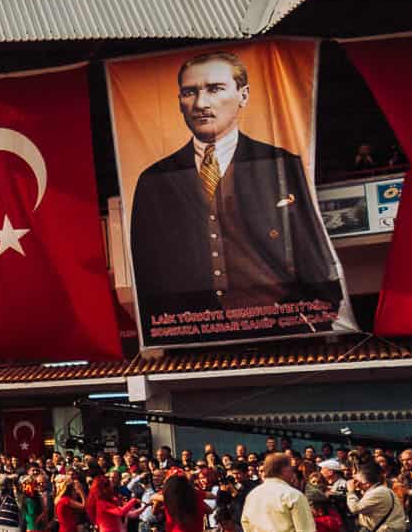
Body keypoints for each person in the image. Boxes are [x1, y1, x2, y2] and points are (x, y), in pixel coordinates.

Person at [127, 51, 342, 329]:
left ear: (243, 95)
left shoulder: (281, 164)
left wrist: (310, 323)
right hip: (195, 337)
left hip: (279, 332)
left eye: (215, 89)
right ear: (179, 102)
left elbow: (312, 253)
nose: (201, 103)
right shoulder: (154, 180)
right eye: (189, 92)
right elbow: (147, 275)